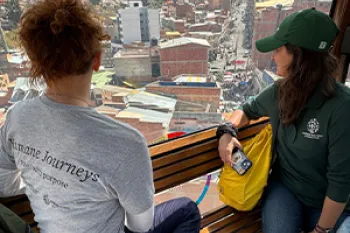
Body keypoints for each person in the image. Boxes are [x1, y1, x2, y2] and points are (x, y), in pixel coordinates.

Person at [0, 0, 201, 233]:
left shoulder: (18, 117)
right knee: (187, 209)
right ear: (96, 61)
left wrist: (42, 176)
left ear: (36, 64)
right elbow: (141, 226)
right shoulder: (126, 143)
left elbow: (3, 181)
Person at [218, 8, 350, 233]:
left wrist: (321, 230)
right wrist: (226, 132)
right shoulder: (278, 92)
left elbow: (340, 182)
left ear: (298, 56)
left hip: (329, 205)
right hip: (287, 191)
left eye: (278, 49)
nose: (272, 56)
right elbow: (246, 111)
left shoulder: (341, 107)